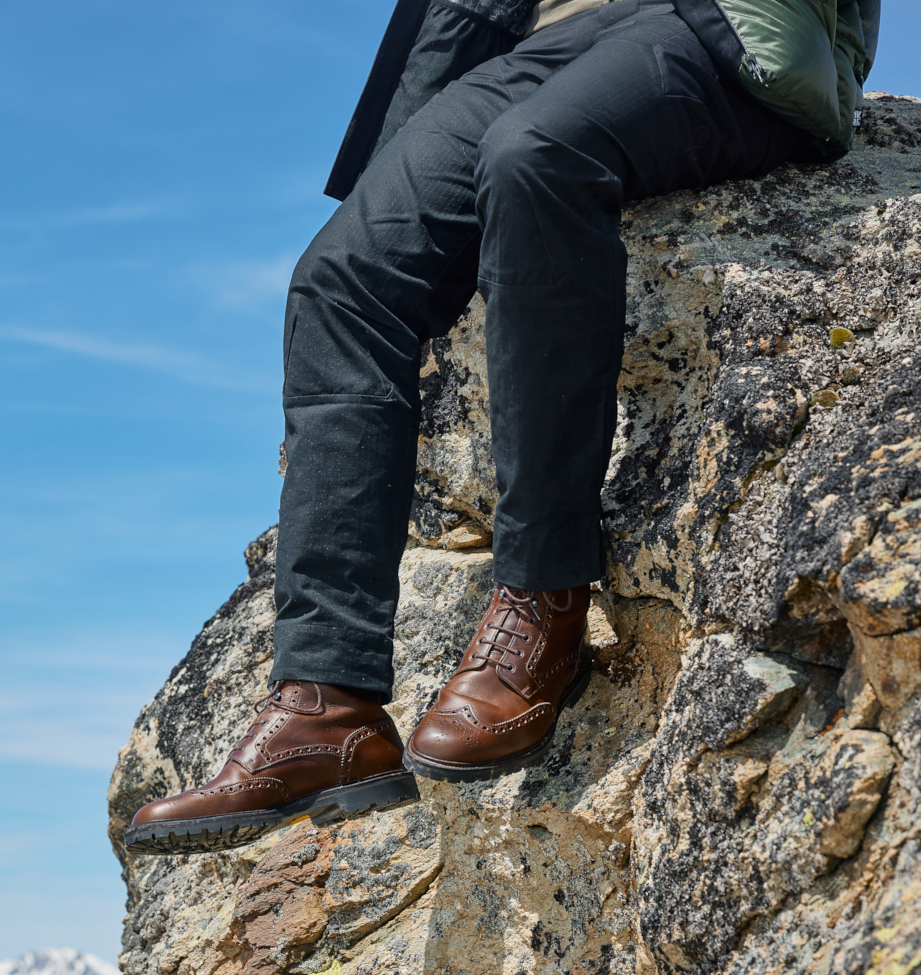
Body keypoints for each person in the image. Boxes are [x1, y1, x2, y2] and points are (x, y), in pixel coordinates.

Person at [124, 0, 879, 852]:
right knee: (340, 279)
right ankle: (324, 707)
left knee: (538, 157)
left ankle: (543, 598)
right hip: (548, 36)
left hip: (720, 27)